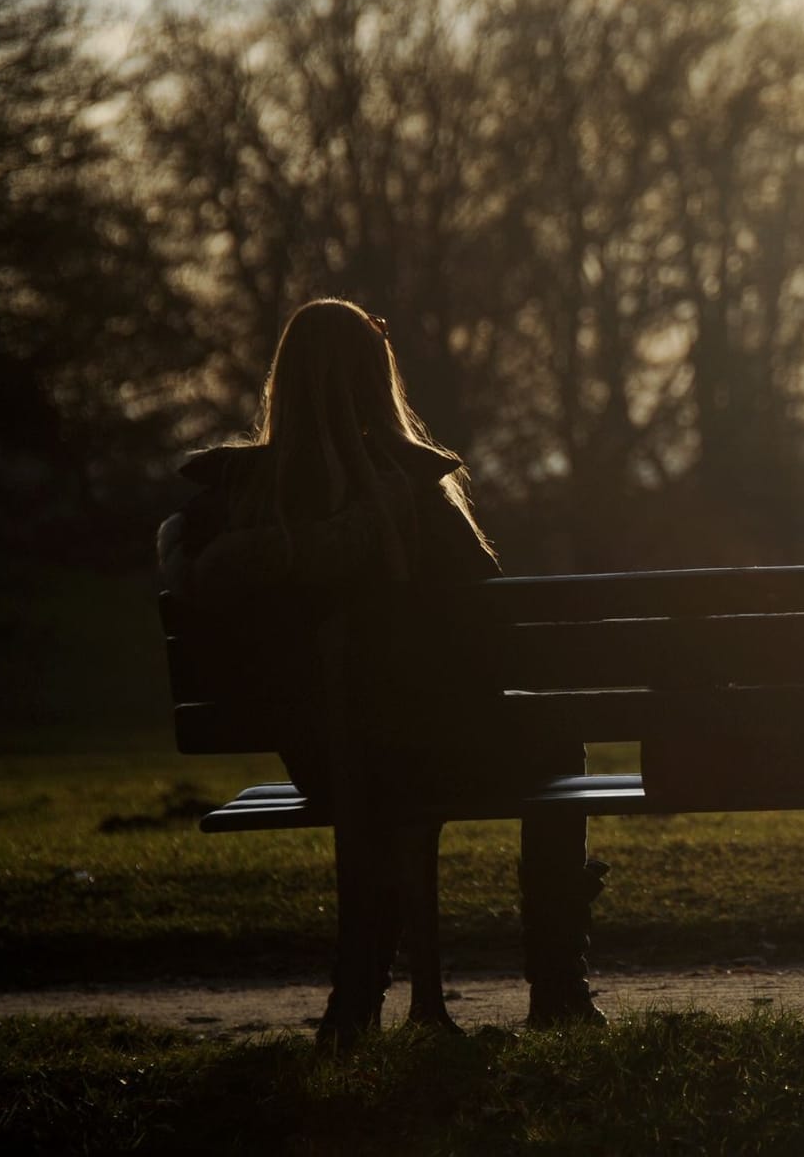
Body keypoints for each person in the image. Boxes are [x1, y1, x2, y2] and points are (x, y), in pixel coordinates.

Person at [158, 299, 606, 1048]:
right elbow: (494, 623)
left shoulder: (226, 504)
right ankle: (556, 985)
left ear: (285, 382)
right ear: (378, 378)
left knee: (380, 768)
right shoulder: (410, 490)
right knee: (557, 751)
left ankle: (357, 1002)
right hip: (427, 751)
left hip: (321, 762)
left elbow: (199, 604)